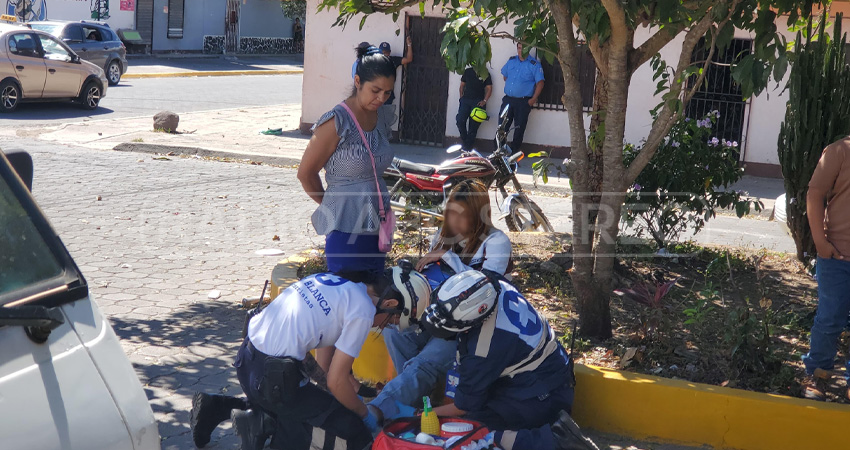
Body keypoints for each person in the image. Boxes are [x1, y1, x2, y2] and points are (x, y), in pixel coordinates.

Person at [189, 267, 430, 450]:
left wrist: (336, 395)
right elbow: (337, 381)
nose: (384, 326)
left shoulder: (337, 283)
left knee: (312, 406)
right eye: (392, 321)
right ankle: (261, 425)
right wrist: (364, 415)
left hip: (248, 362)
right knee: (355, 433)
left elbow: (313, 364)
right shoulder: (363, 310)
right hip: (271, 380)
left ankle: (217, 408)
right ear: (390, 304)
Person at [367, 180, 513, 423]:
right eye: (451, 213)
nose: (454, 221)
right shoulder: (443, 235)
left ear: (479, 216)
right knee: (395, 332)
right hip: (438, 316)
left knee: (423, 364)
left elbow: (488, 289)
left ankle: (378, 411)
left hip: (474, 328)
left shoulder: (496, 241)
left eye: (462, 215)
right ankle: (411, 399)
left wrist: (448, 257)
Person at [420, 271, 599, 450]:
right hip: (547, 375)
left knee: (473, 435)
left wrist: (423, 415)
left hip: (543, 395)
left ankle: (557, 442)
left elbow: (463, 405)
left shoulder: (485, 346)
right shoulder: (491, 283)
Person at [299, 45, 397, 277]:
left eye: (387, 92)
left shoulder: (382, 117)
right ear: (357, 81)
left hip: (378, 226)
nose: (381, 98)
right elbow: (305, 174)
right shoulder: (337, 121)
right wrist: (331, 204)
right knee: (346, 294)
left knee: (374, 294)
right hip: (344, 230)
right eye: (375, 90)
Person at [801, 137, 850, 401]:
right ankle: (818, 374)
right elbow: (815, 193)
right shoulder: (839, 151)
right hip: (837, 257)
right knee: (830, 319)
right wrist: (820, 243)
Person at [500, 43, 545, 154]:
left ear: (528, 49)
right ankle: (499, 151)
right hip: (508, 100)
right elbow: (505, 76)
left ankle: (514, 154)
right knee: (502, 126)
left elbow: (540, 83)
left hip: (523, 102)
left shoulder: (534, 64)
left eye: (523, 48)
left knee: (519, 128)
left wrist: (533, 99)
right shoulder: (511, 61)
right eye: (519, 48)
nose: (521, 50)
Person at [457, 66, 493, 150]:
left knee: (473, 126)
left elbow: (489, 88)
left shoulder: (485, 73)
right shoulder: (468, 71)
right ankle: (465, 141)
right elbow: (462, 85)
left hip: (478, 102)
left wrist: (484, 101)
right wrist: (461, 98)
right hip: (466, 100)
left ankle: (467, 148)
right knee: (460, 120)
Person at [378, 37, 413, 106]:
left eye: (386, 52)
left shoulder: (393, 60)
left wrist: (409, 45)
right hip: (376, 95)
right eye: (382, 52)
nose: (384, 54)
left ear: (389, 52)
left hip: (387, 95)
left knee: (387, 112)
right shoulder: (374, 62)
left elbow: (409, 59)